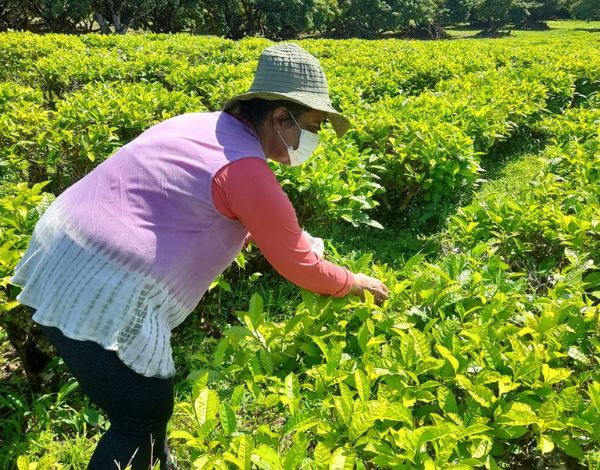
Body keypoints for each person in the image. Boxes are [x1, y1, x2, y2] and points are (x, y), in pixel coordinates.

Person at [10, 43, 388, 469]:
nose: (314, 140)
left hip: (58, 247)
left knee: (144, 416)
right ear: (280, 118)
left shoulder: (197, 126)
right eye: (313, 126)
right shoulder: (247, 172)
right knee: (140, 418)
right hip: (104, 279)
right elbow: (301, 265)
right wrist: (354, 282)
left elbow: (180, 202)